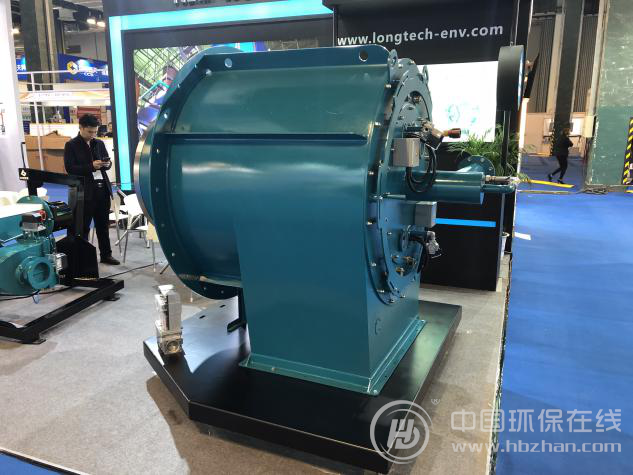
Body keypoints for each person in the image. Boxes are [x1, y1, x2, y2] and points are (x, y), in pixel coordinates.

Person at [63, 114, 120, 265]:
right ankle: (84, 258)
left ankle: (106, 255)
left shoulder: (99, 143)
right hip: (84, 192)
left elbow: (108, 162)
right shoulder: (71, 145)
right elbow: (70, 168)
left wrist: (107, 164)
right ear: (81, 128)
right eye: (90, 131)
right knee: (83, 227)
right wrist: (91, 166)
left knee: (103, 226)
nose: (93, 134)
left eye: (95, 131)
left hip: (102, 189)